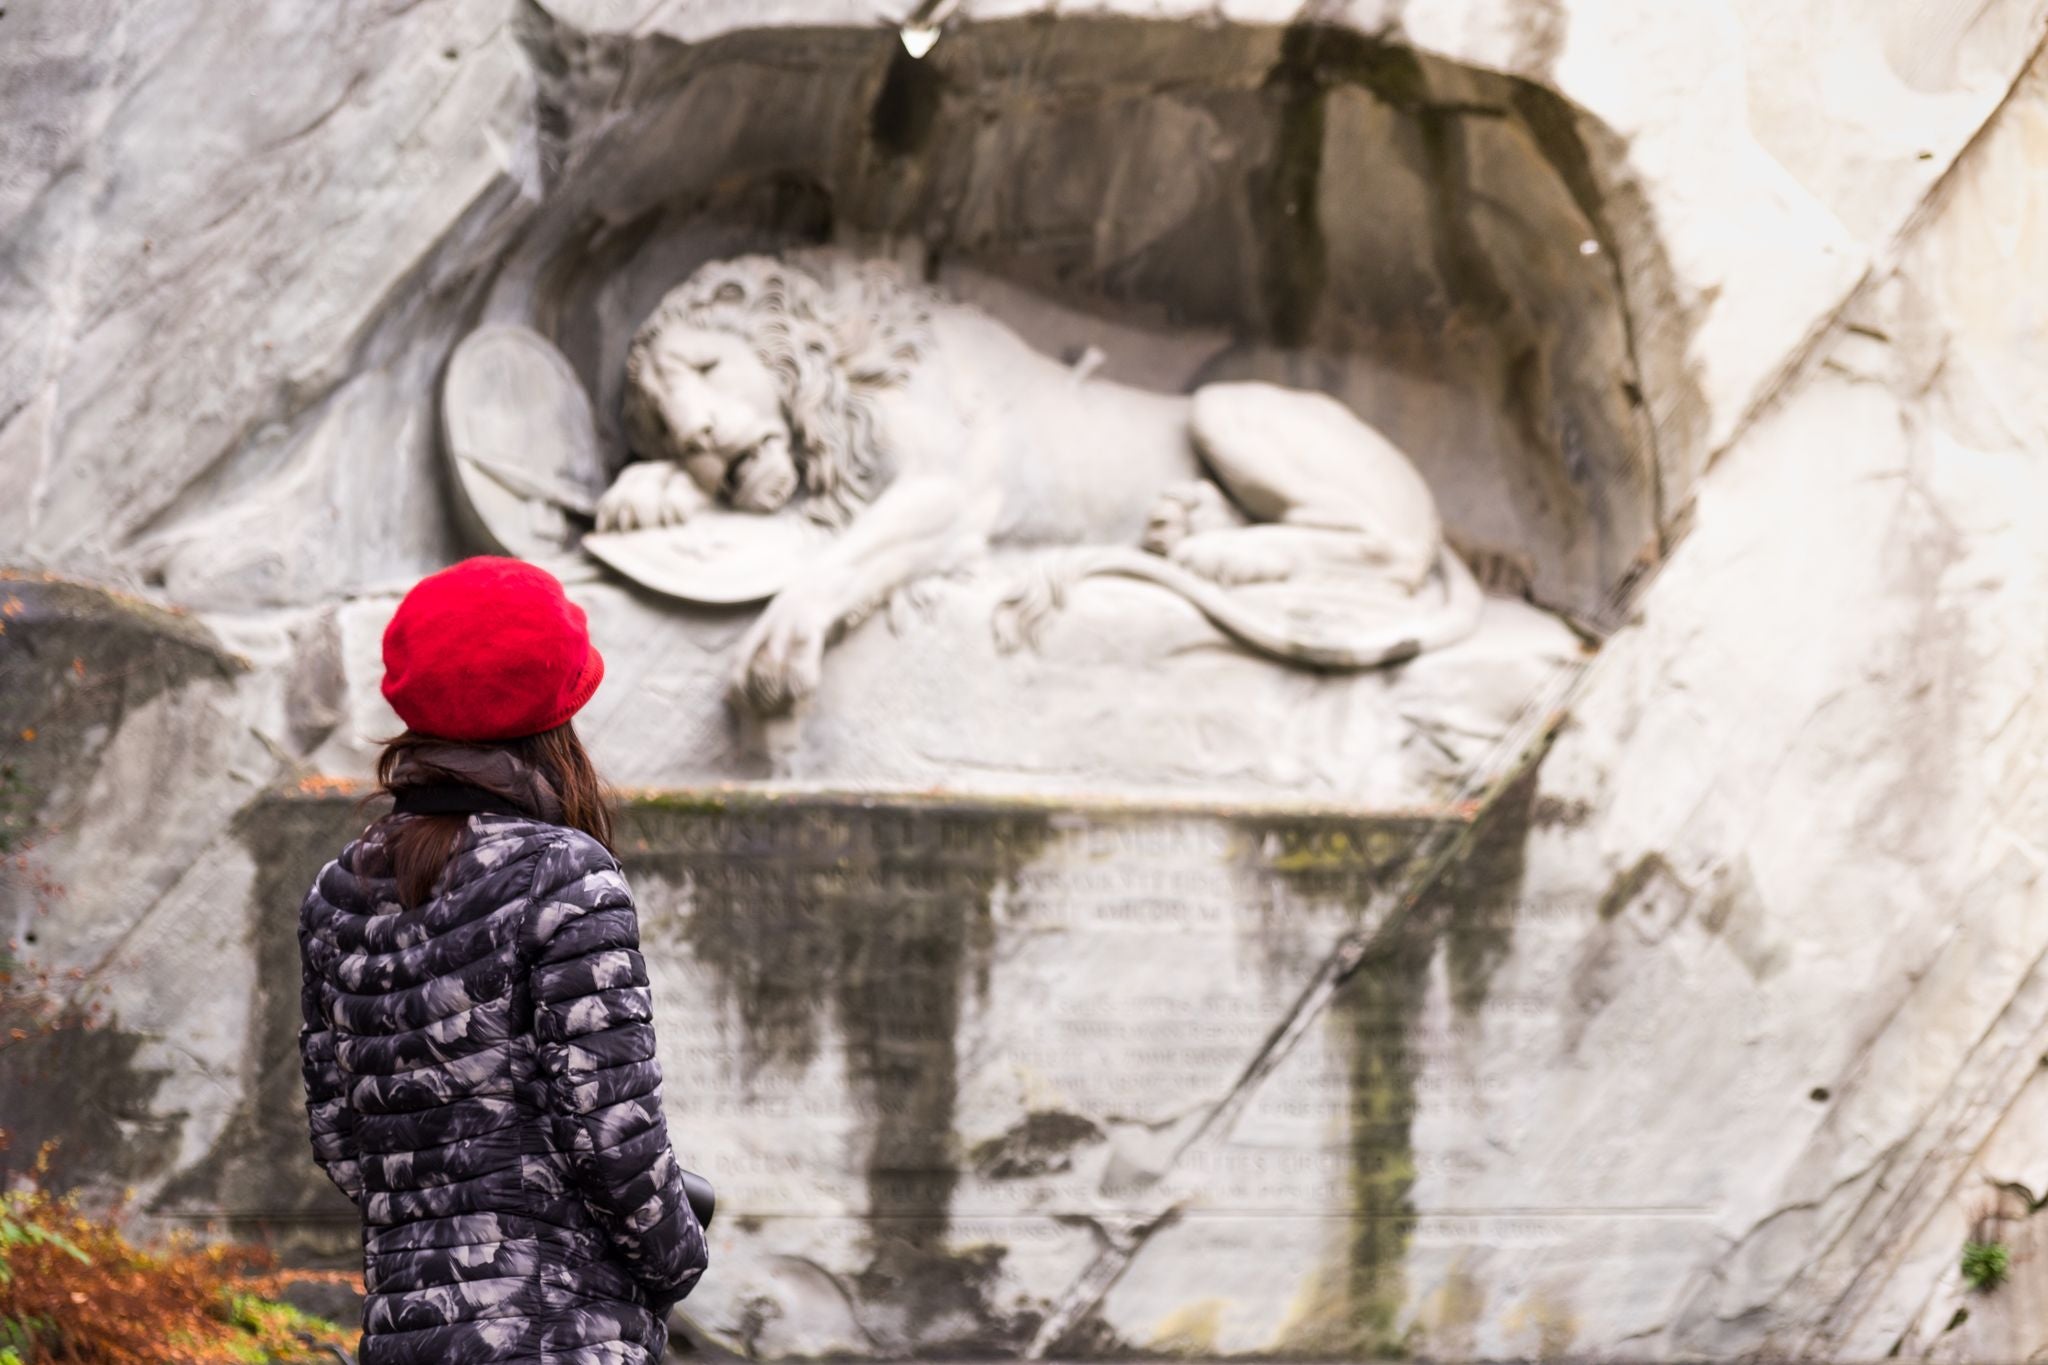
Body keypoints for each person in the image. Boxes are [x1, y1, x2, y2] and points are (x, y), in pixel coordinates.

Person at [295, 556, 708, 1365]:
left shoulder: (339, 889)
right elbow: (612, 1131)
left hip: (407, 1333)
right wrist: (681, 1256)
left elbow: (341, 1137)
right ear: (557, 715)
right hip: (558, 1332)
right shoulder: (566, 875)